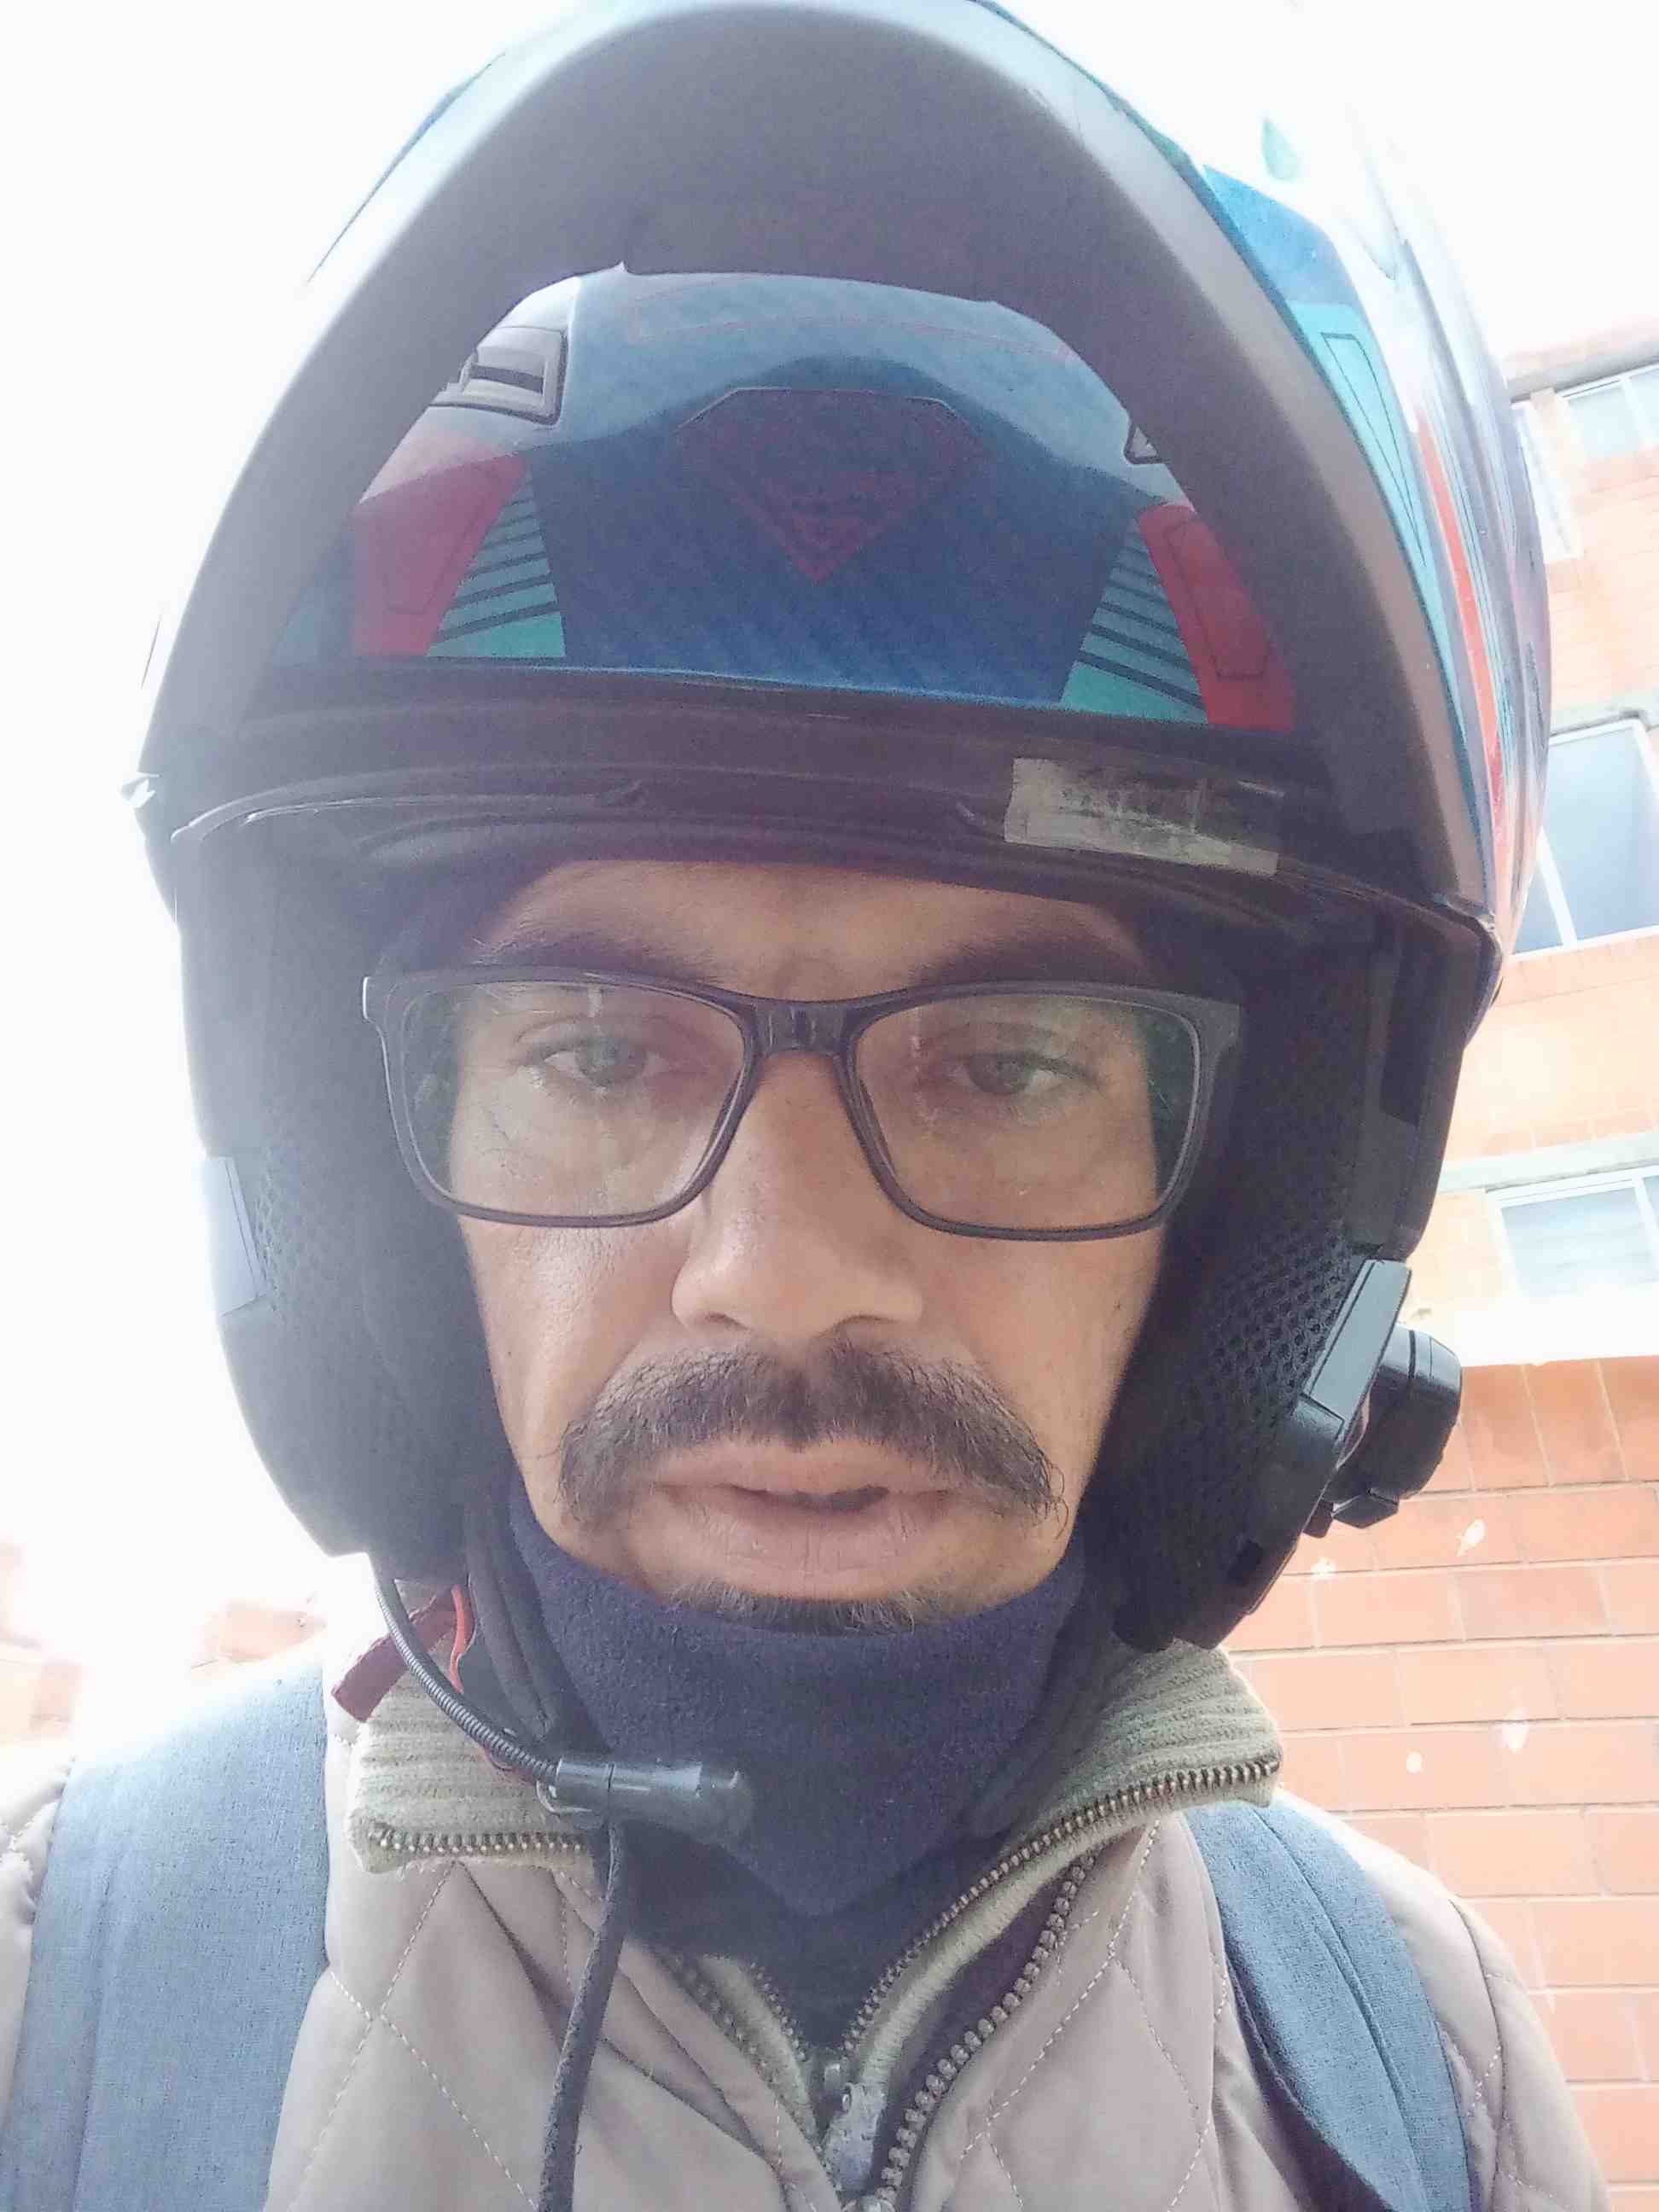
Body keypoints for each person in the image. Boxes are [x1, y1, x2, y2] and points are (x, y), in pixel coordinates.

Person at [0, 3, 1610, 2208]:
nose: (780, 1274)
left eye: (1006, 1064)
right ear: (370, 1182)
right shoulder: (54, 1997)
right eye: (595, 1052)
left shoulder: (1415, 2066)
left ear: (1243, 1223)